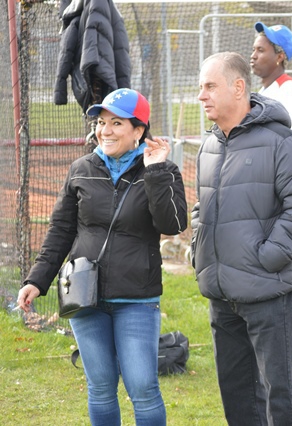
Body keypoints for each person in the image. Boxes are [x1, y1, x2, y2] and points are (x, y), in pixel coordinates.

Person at [16, 87, 188, 425]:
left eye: (116, 123)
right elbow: (61, 231)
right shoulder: (81, 168)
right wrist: (37, 280)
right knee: (101, 387)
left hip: (136, 299)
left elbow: (173, 224)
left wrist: (155, 172)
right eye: (101, 122)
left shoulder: (161, 171)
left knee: (143, 388)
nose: (104, 131)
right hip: (84, 296)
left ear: (139, 130)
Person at [191, 52, 292, 426]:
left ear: (238, 87)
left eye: (210, 86)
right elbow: (203, 206)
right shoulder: (209, 145)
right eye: (200, 87)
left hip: (267, 291)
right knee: (237, 393)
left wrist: (269, 257)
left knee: (279, 395)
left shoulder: (282, 141)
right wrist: (201, 251)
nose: (201, 95)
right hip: (221, 293)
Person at [250, 21, 292, 144]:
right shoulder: (264, 91)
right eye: (253, 50)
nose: (253, 56)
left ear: (279, 57)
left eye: (260, 50)